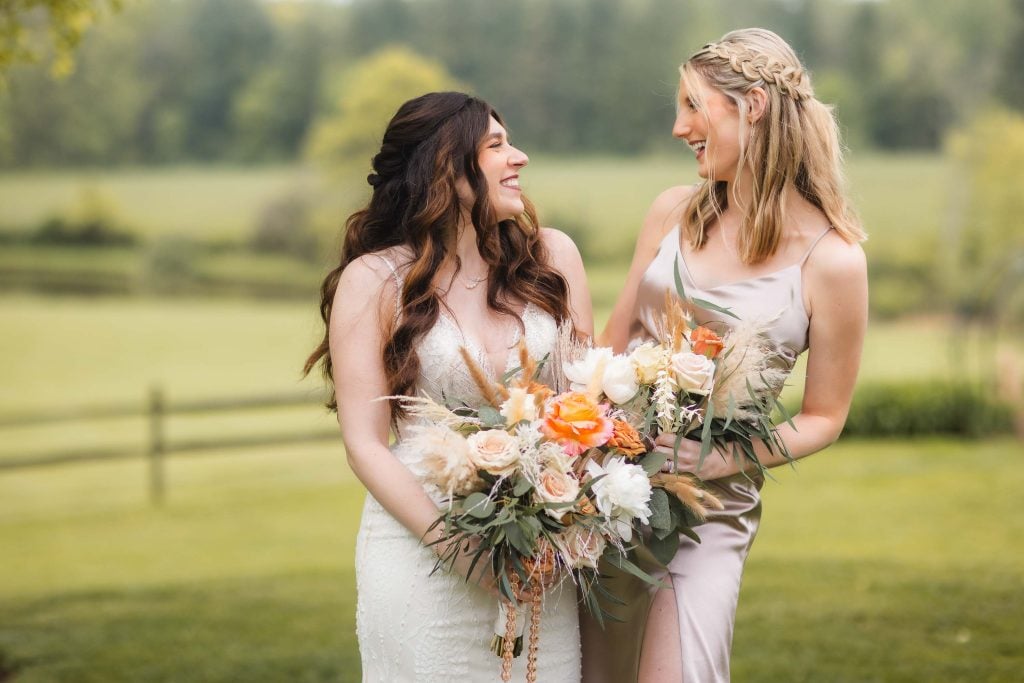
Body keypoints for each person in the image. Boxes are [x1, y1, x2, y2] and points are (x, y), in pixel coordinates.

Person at [583, 29, 868, 683]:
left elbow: (824, 416)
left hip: (709, 511)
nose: (679, 126)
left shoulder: (834, 259)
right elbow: (610, 345)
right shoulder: (671, 213)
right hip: (608, 492)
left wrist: (722, 456)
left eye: (694, 105)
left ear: (755, 107)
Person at [304, 92, 592, 681]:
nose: (520, 157)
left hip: (538, 557)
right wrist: (459, 550)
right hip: (420, 552)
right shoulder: (374, 279)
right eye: (496, 145)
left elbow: (586, 409)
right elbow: (365, 443)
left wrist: (567, 513)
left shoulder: (552, 258)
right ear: (444, 165)